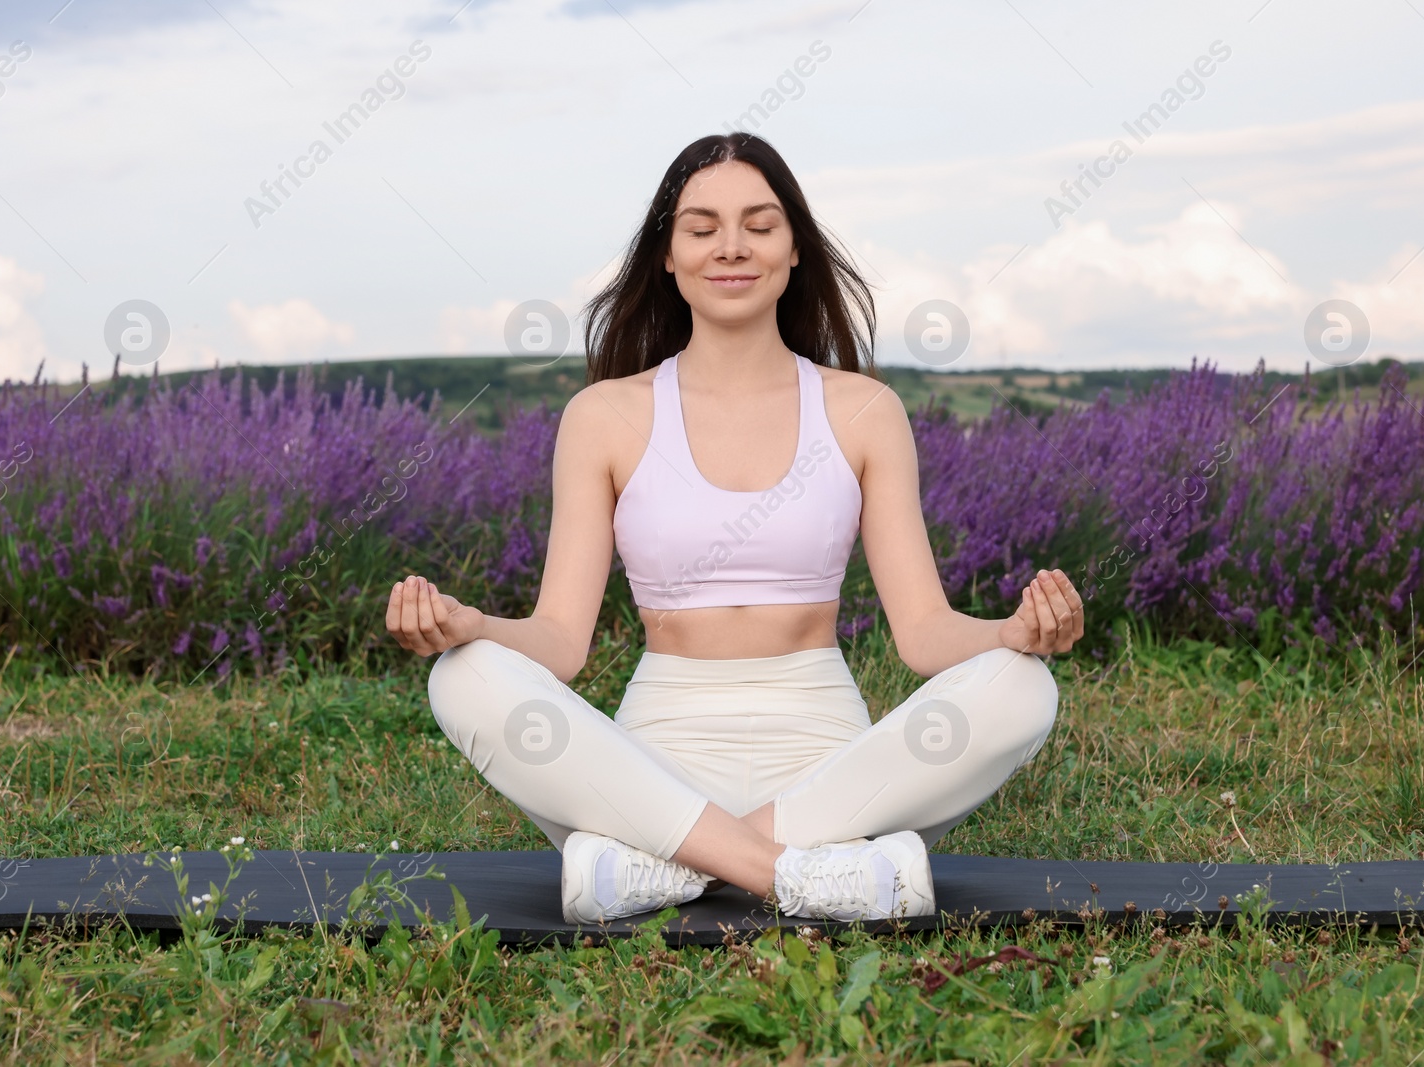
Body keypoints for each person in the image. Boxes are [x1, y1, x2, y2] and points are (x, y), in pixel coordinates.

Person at [384, 132, 1084, 926]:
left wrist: (1018, 631)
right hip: (654, 766)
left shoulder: (864, 410)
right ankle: (803, 876)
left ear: (794, 252)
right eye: (702, 226)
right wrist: (470, 626)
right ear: (668, 256)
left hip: (826, 766)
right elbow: (559, 642)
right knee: (464, 676)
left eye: (760, 224)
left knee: (1022, 687)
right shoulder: (605, 416)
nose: (731, 247)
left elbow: (924, 635)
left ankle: (668, 870)